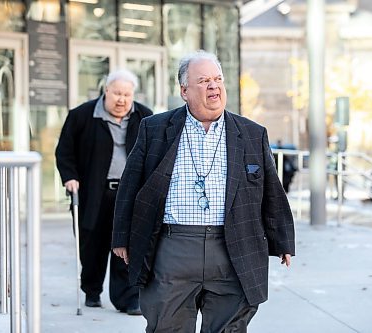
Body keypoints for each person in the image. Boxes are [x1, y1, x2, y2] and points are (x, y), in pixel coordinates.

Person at [111, 50, 295, 332]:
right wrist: (121, 237)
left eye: (218, 79)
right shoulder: (155, 128)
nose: (214, 86)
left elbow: (272, 189)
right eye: (204, 80)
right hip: (173, 249)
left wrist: (282, 240)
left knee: (229, 328)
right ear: (184, 91)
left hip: (233, 248)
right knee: (166, 326)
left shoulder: (251, 133)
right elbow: (130, 184)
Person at [55, 69, 152, 314]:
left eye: (127, 95)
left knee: (126, 246)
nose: (121, 100)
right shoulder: (82, 116)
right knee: (92, 246)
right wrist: (70, 177)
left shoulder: (145, 117)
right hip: (93, 193)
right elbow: (64, 151)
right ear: (106, 91)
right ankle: (92, 290)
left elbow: (155, 153)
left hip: (129, 195)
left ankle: (128, 299)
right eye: (117, 93)